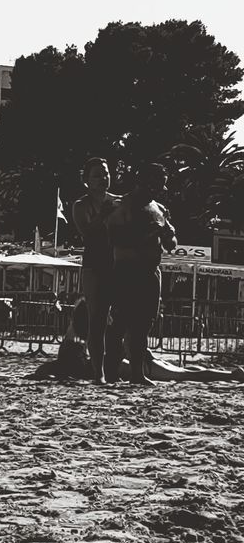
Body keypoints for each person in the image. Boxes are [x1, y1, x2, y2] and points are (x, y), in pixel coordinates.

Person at [107, 162, 177, 386]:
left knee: (143, 324)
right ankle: (111, 371)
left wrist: (168, 234)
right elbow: (115, 239)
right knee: (120, 323)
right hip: (127, 271)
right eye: (157, 184)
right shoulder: (122, 204)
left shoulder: (160, 209)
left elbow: (171, 245)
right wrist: (147, 235)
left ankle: (137, 373)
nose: (160, 189)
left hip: (151, 272)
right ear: (144, 181)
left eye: (163, 185)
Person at [72, 156, 122, 384]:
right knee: (98, 319)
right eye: (98, 175)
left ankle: (113, 370)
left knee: (121, 320)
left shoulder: (120, 202)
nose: (103, 178)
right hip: (94, 265)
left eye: (106, 173)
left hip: (119, 265)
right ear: (87, 181)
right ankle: (98, 372)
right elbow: (88, 234)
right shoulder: (81, 205)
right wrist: (103, 214)